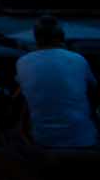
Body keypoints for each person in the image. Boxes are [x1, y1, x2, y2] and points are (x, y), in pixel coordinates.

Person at [15, 16, 98, 150]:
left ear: (36, 39)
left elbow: (25, 98)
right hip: (81, 138)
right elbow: (93, 94)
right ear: (62, 37)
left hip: (43, 139)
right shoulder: (78, 60)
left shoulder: (22, 62)